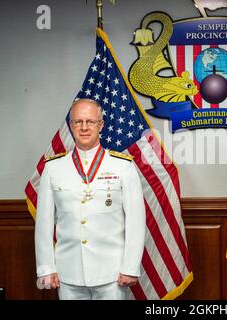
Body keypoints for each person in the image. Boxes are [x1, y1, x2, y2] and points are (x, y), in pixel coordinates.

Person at [34, 98, 146, 300]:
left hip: (112, 273)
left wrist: (130, 267)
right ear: (71, 125)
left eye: (90, 122)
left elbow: (136, 223)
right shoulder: (53, 168)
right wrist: (45, 268)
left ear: (101, 125)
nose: (84, 127)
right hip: (68, 273)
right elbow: (43, 223)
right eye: (78, 122)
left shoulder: (123, 166)